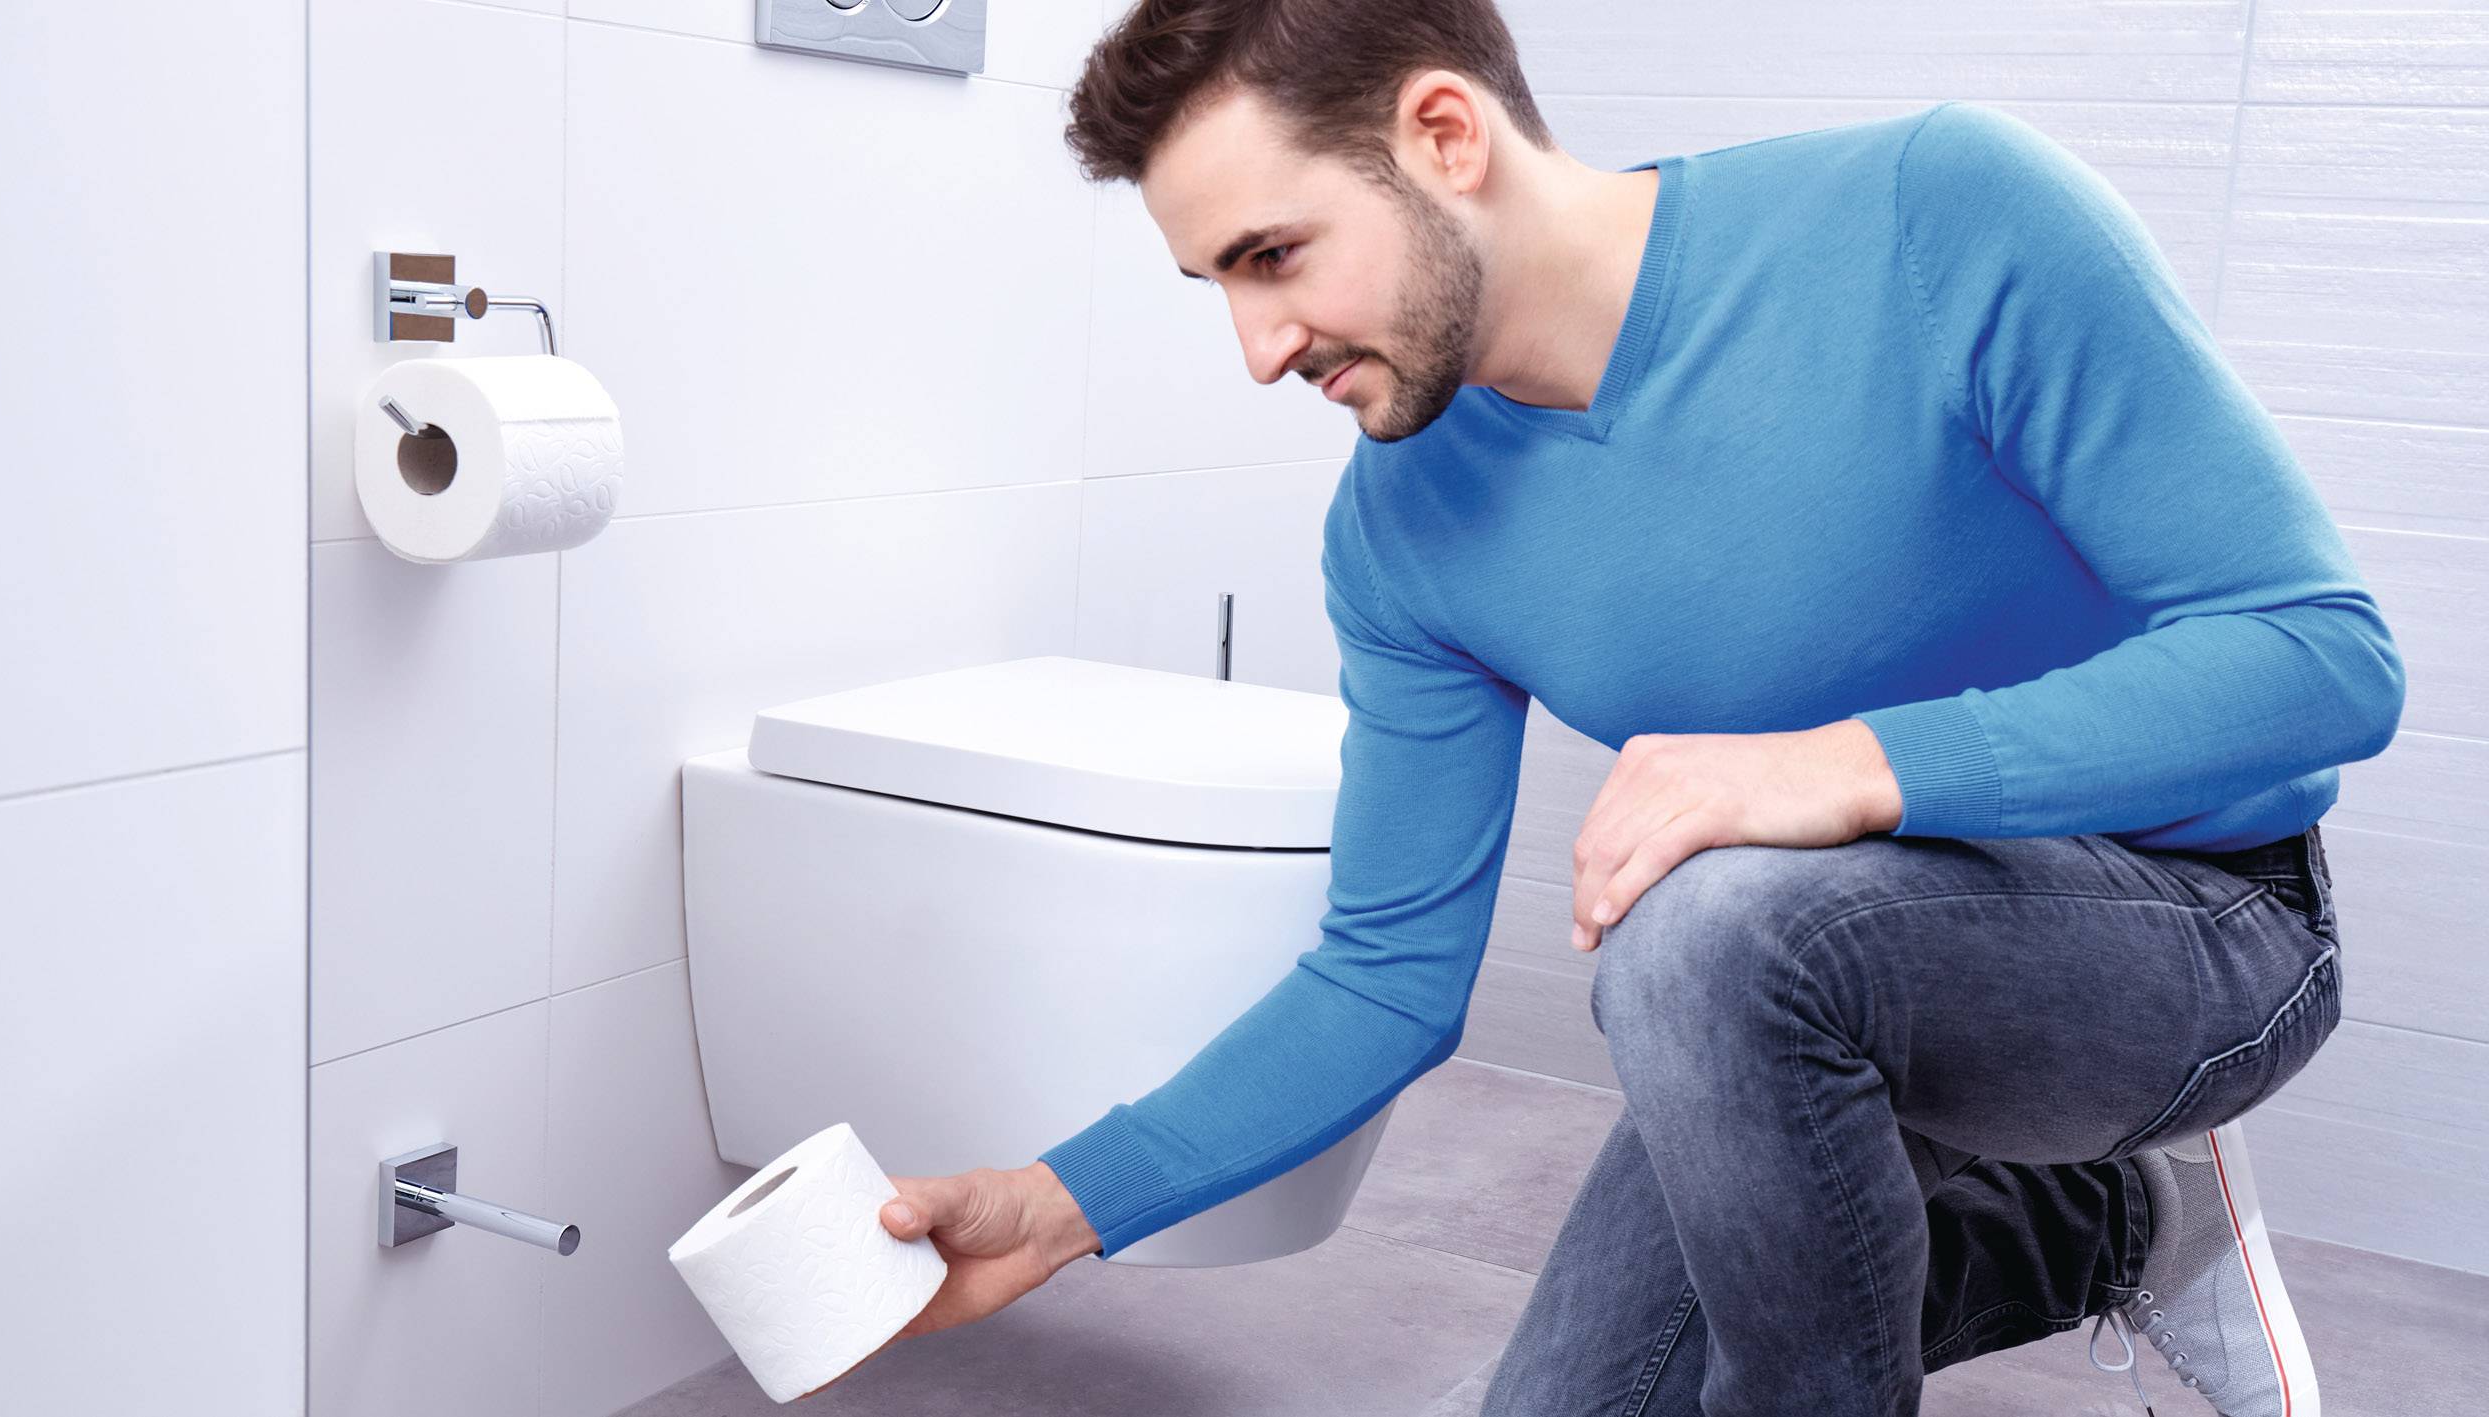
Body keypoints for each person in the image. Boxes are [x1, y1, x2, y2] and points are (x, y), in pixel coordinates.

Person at [864, 3, 2404, 1414]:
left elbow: (2320, 658)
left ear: (1445, 137)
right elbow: (1386, 978)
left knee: (1709, 919)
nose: (1260, 351)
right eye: (1218, 286)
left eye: (1274, 257)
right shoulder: (1402, 528)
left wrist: (1853, 766)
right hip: (1792, 980)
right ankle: (2115, 1220)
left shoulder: (1939, 213)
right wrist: (1059, 1205)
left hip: (2199, 924)